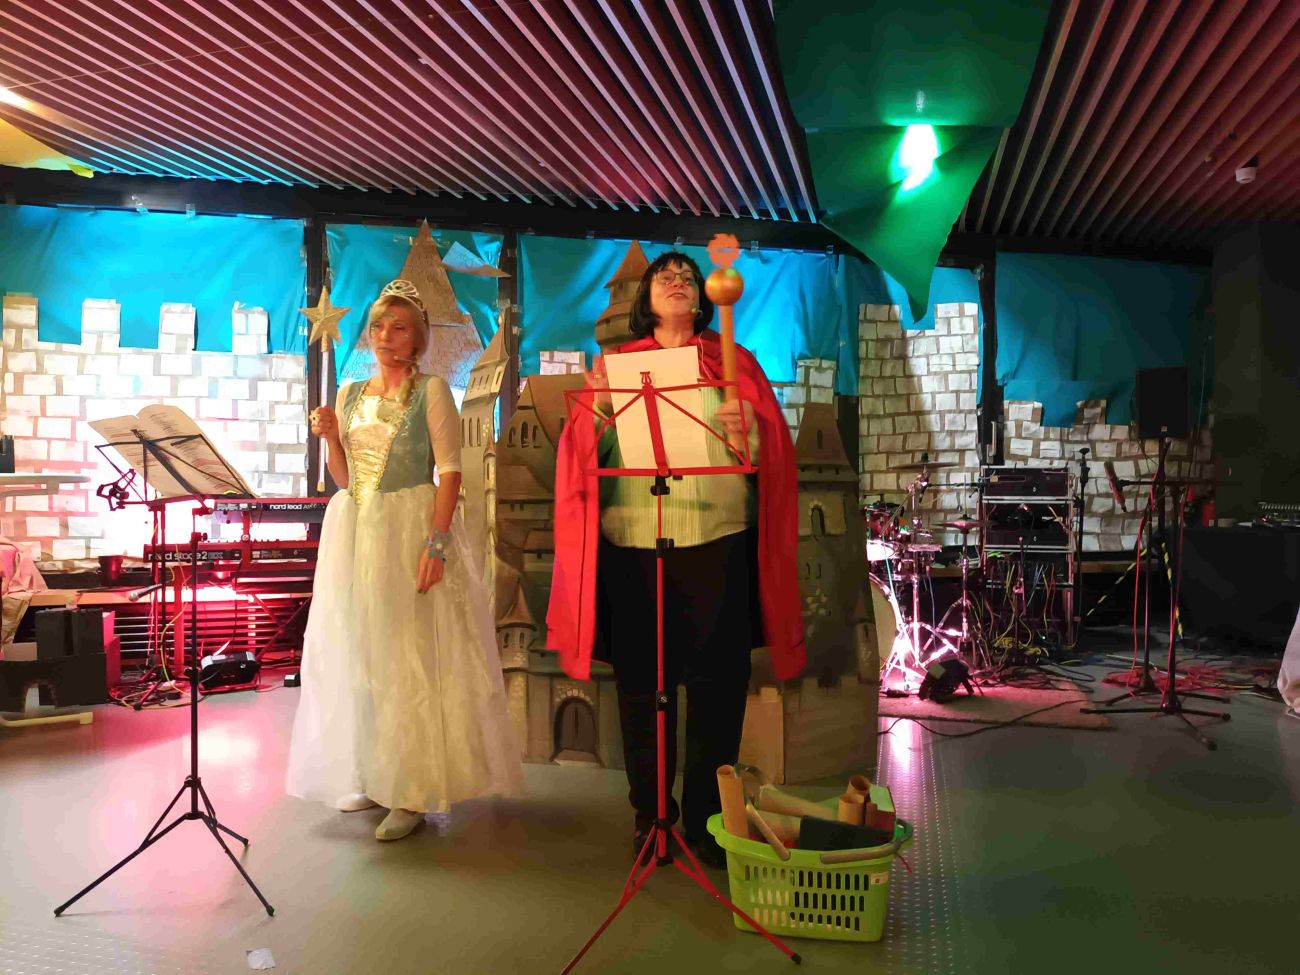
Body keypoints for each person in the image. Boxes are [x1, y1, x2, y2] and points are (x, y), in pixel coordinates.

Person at [547, 252, 804, 868]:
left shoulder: (735, 363)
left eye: (688, 275)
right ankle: (651, 818)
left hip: (718, 541)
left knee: (719, 691)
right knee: (642, 690)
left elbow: (767, 456)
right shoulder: (617, 368)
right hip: (636, 545)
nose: (678, 280)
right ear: (646, 299)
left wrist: (749, 430)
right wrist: (599, 411)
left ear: (703, 297)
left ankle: (709, 820)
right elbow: (583, 453)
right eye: (664, 275)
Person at [286, 279, 522, 841]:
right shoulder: (349, 394)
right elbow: (347, 481)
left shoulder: (431, 391)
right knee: (366, 660)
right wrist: (330, 439)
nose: (385, 335)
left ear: (417, 338)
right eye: (378, 326)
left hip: (409, 531)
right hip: (359, 534)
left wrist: (435, 546)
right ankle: (377, 776)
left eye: (398, 327)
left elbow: (451, 472)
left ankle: (412, 788)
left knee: (408, 661)